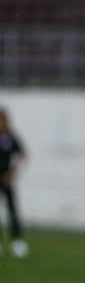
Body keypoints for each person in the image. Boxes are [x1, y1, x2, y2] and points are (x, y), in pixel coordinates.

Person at [0, 108, 27, 258]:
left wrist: (11, 174)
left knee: (12, 210)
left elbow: (22, 155)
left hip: (6, 178)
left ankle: (17, 241)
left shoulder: (10, 137)